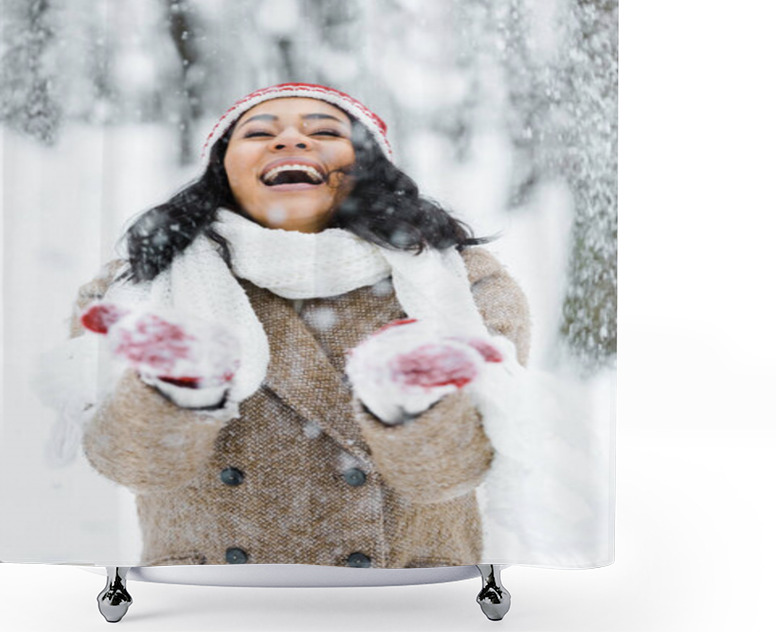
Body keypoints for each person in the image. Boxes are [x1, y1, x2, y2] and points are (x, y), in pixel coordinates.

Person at [69, 83, 532, 568]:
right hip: (211, 604)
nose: (290, 141)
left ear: (367, 164)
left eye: (325, 130)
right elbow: (130, 465)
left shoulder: (465, 283)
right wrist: (177, 388)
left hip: (403, 602)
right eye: (259, 133)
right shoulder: (138, 286)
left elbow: (449, 476)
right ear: (222, 169)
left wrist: (412, 404)